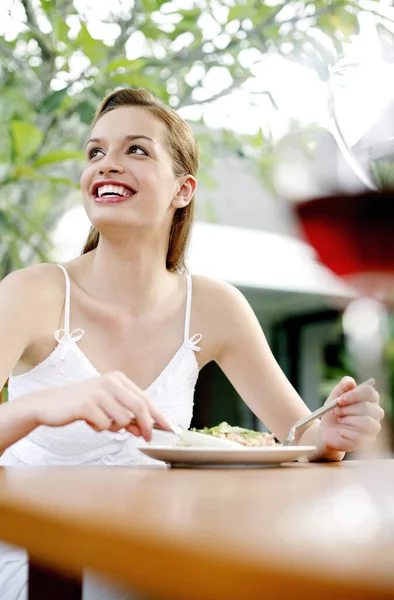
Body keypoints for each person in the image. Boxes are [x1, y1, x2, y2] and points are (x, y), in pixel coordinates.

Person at [0, 88, 384, 599]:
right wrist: (43, 406)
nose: (107, 164)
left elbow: (300, 437)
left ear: (183, 190)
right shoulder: (34, 292)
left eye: (135, 150)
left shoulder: (213, 305)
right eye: (96, 152)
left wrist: (333, 430)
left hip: (159, 552)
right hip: (41, 561)